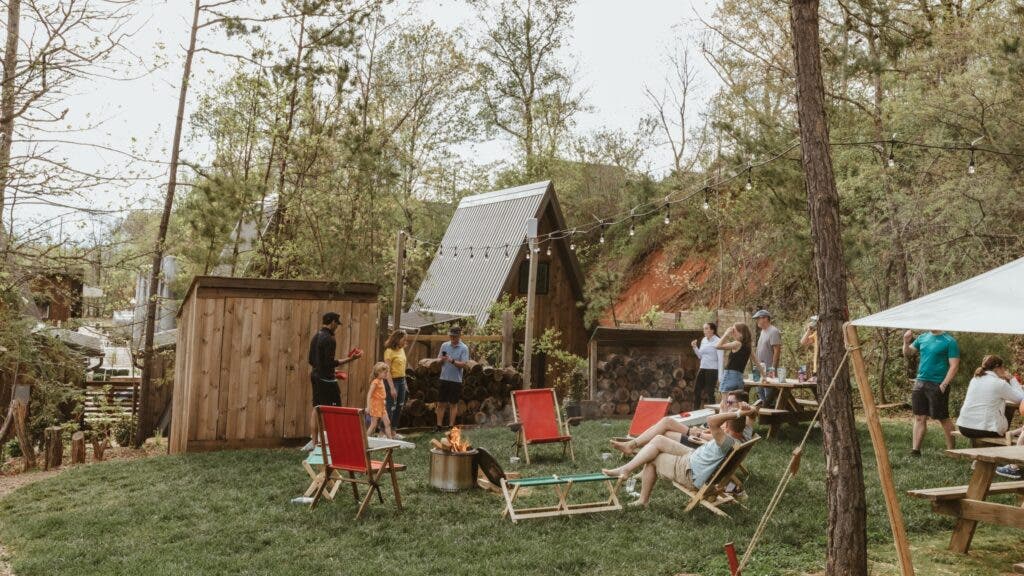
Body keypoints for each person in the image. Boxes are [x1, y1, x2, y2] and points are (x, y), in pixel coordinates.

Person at [602, 402, 760, 507]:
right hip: (695, 457)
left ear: (726, 426)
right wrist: (748, 411)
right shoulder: (744, 434)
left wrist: (738, 413)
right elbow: (753, 416)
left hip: (691, 472)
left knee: (652, 457)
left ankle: (642, 498)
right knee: (658, 439)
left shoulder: (725, 441)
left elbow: (711, 420)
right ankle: (627, 467)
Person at [610, 390, 754, 456]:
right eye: (726, 401)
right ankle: (633, 445)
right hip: (701, 438)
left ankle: (634, 446)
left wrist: (745, 409)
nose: (726, 404)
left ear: (741, 404)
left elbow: (722, 438)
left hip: (702, 446)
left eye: (730, 402)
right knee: (666, 423)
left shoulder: (742, 421)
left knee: (665, 431)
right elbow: (718, 432)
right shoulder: (733, 418)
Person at [305, 312, 363, 451]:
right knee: (335, 410)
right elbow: (330, 362)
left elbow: (311, 360)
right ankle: (336, 442)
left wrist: (330, 371)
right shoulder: (330, 339)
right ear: (332, 322)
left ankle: (315, 443)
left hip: (316, 375)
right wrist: (351, 359)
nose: (337, 326)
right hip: (326, 379)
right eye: (336, 323)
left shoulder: (316, 336)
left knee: (316, 408)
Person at [903, 328, 960, 455]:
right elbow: (908, 353)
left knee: (942, 417)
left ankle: (952, 451)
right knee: (919, 417)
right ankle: (915, 450)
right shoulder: (922, 337)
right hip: (920, 382)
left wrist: (944, 384)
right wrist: (906, 342)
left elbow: (954, 365)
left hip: (938, 384)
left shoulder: (949, 341)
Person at [955, 355, 1024, 441]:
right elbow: (1021, 399)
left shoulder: (975, 379)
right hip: (984, 430)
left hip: (964, 427)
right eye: (1003, 367)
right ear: (997, 368)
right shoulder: (999, 383)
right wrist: (1012, 379)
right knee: (1007, 410)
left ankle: (1008, 434)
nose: (1004, 370)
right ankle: (1006, 436)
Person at [436, 326, 469, 431]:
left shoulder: (464, 348)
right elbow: (438, 359)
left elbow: (463, 364)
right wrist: (441, 360)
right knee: (441, 403)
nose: (452, 338)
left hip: (456, 380)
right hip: (444, 378)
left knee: (453, 404)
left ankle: (451, 426)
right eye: (450, 336)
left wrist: (452, 361)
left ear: (459, 336)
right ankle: (439, 426)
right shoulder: (444, 345)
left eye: (454, 336)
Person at [691, 322, 725, 408]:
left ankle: (712, 413)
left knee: (710, 392)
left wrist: (720, 376)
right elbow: (700, 356)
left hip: (712, 370)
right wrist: (695, 347)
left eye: (706, 328)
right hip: (703, 368)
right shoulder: (703, 340)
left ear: (712, 330)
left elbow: (721, 359)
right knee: (696, 391)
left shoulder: (718, 341)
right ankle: (695, 412)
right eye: (704, 329)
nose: (704, 331)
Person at [752, 309, 782, 405]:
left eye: (758, 318)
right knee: (759, 390)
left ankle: (770, 415)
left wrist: (772, 368)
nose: (757, 321)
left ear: (765, 318)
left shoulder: (773, 331)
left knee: (769, 393)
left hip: (769, 368)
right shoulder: (762, 331)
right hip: (759, 368)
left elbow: (777, 351)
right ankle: (764, 413)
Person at [383, 330, 408, 438]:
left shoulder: (402, 350)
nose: (405, 342)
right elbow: (386, 371)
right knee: (390, 406)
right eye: (404, 340)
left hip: (402, 381)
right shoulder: (389, 351)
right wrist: (392, 387)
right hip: (392, 381)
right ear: (397, 339)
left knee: (399, 406)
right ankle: (383, 432)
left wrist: (405, 383)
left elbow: (402, 367)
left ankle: (393, 431)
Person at [715, 323, 753, 394]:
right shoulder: (748, 346)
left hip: (730, 375)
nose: (732, 333)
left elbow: (717, 346)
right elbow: (757, 362)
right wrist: (764, 376)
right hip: (739, 377)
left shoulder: (737, 344)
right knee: (735, 402)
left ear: (740, 333)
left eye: (734, 330)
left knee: (725, 403)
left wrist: (726, 334)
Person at [366, 362, 394, 439]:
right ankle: (364, 440)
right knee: (374, 424)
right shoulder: (375, 382)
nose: (386, 374)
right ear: (378, 372)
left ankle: (390, 441)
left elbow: (380, 393)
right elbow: (369, 395)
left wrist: (383, 400)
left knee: (387, 423)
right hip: (375, 405)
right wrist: (368, 407)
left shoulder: (381, 380)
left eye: (387, 372)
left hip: (382, 405)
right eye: (385, 372)